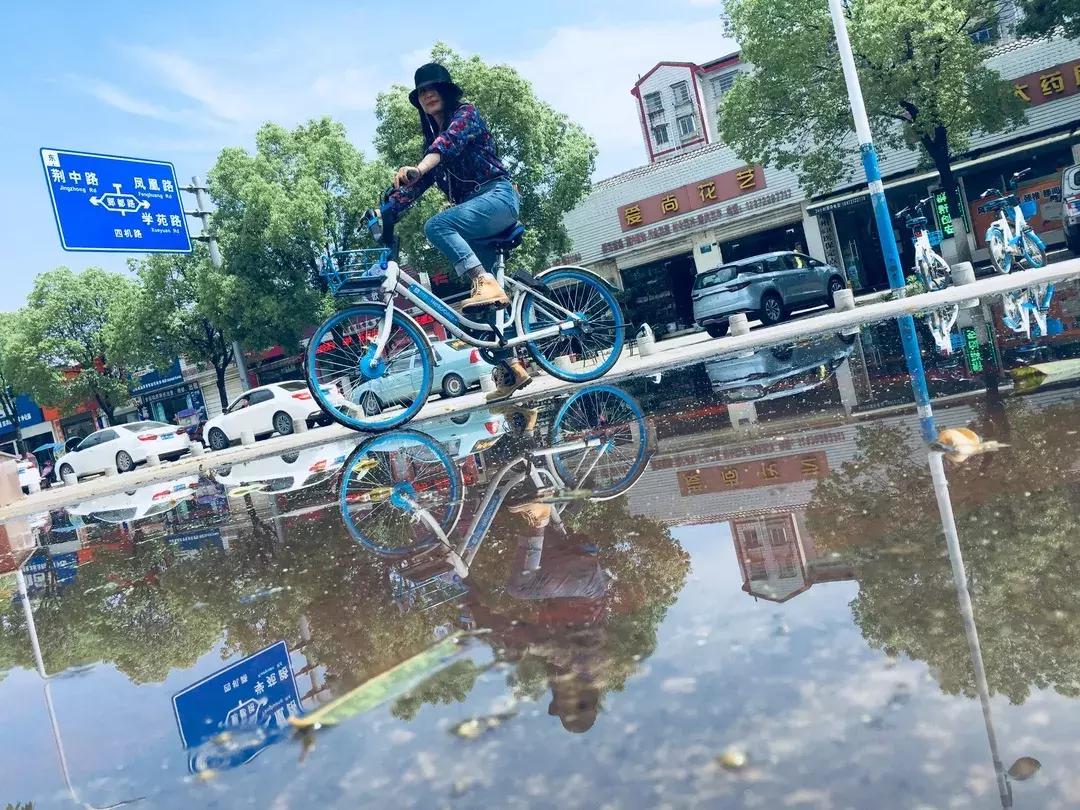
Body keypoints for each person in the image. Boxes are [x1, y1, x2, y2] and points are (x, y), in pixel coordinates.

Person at [380, 62, 531, 402]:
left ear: (447, 91)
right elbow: (416, 187)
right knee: (484, 312)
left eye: (433, 88)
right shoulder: (431, 144)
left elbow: (443, 148)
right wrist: (385, 209)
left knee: (437, 225)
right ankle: (512, 367)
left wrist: (418, 168)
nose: (427, 94)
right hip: (476, 216)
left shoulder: (466, 116)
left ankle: (484, 279)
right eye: (421, 91)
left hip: (497, 197)